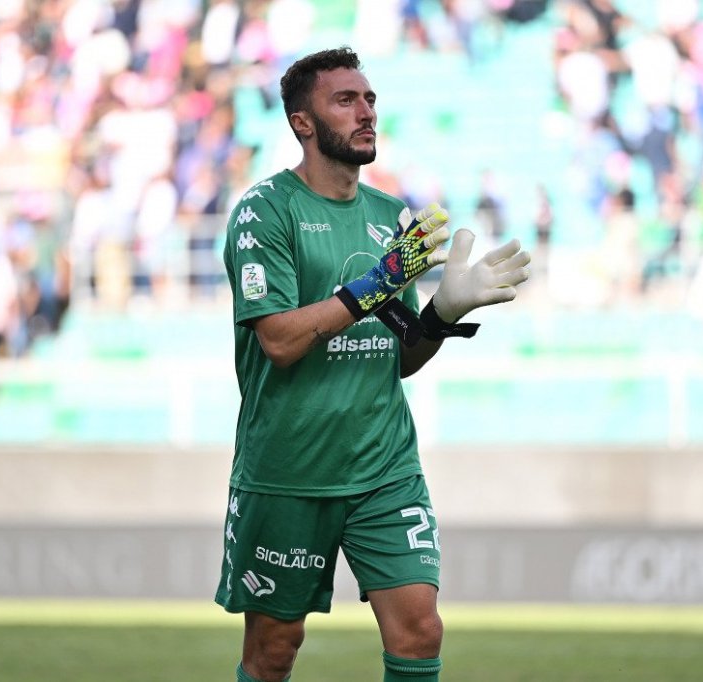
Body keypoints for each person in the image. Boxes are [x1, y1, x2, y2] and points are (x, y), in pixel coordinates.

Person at [215, 46, 531, 682]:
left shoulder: (392, 218)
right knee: (274, 651)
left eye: (370, 100)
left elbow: (401, 354)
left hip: (384, 467)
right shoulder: (265, 211)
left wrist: (440, 314)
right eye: (346, 100)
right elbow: (279, 341)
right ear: (303, 122)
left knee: (420, 630)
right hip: (289, 471)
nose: (366, 113)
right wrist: (376, 284)